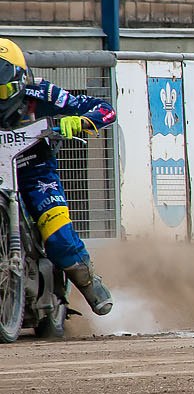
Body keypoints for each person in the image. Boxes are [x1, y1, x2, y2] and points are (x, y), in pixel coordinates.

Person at [0, 36, 114, 316]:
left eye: (3, 91)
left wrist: (79, 120)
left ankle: (87, 281)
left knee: (58, 236)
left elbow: (105, 110)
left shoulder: (42, 93)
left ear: (19, 81)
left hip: (35, 172)